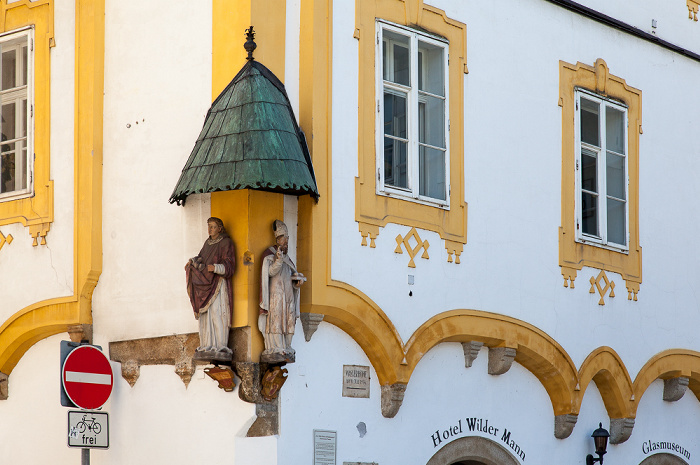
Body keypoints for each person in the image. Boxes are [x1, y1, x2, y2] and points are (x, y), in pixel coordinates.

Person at [185, 217, 235, 362]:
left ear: (220, 228)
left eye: (213, 227)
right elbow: (201, 258)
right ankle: (207, 345)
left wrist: (216, 268)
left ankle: (220, 345)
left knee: (217, 313)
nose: (210, 229)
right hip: (205, 284)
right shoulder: (207, 243)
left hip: (218, 283)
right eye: (209, 227)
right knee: (205, 316)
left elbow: (230, 265)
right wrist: (192, 262)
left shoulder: (226, 242)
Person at [259, 220, 306, 363]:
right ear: (277, 240)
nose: (285, 244)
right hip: (275, 294)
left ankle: (287, 345)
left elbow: (291, 277)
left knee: (289, 319)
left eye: (287, 242)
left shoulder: (288, 259)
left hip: (288, 295)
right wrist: (278, 260)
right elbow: (270, 272)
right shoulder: (269, 255)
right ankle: (276, 346)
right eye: (283, 241)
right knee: (276, 320)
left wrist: (297, 284)